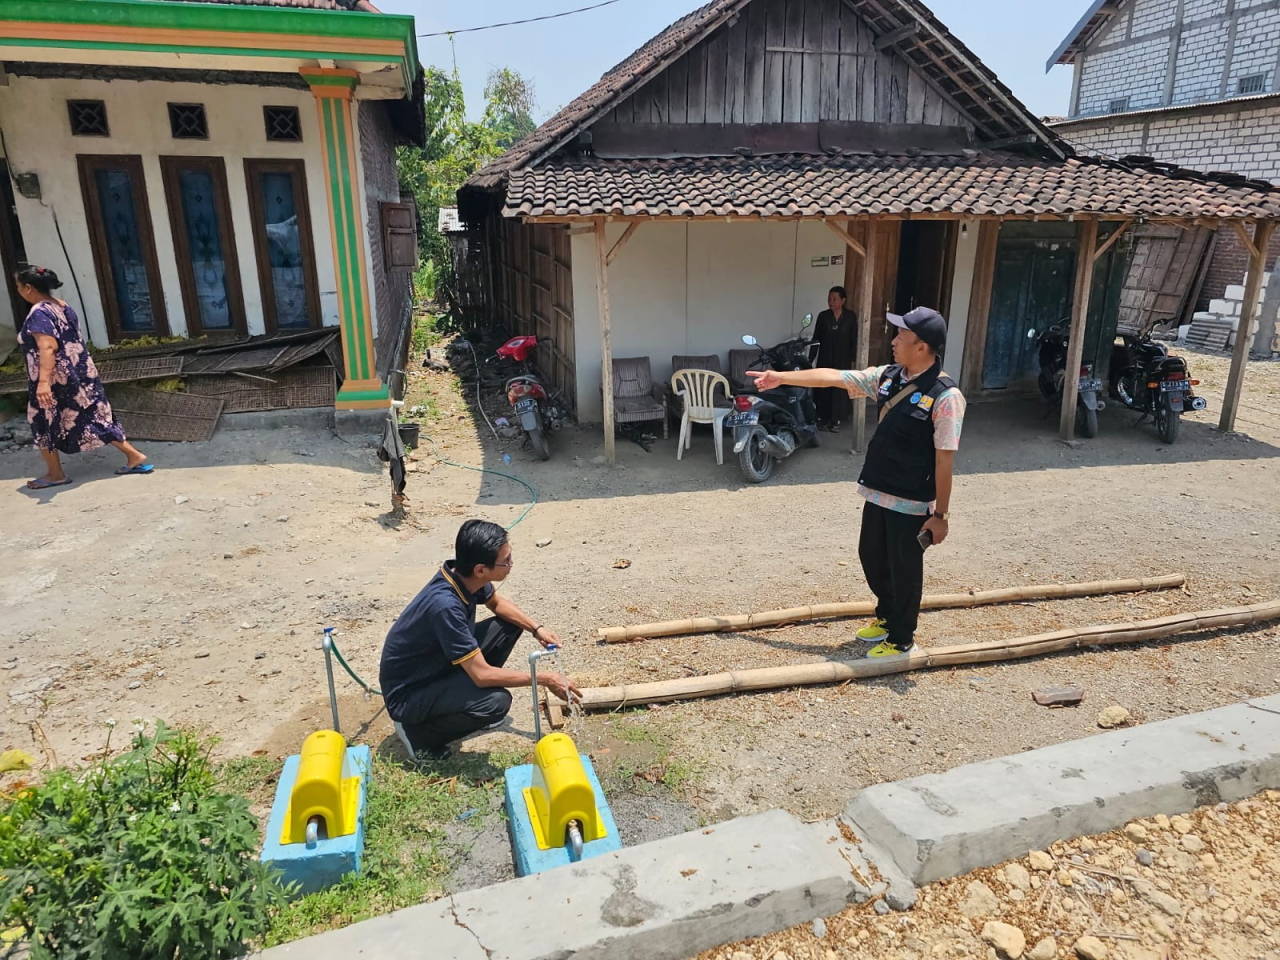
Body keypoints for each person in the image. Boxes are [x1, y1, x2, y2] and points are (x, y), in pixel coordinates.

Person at [746, 306, 964, 659]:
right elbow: (835, 376)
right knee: (872, 556)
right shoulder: (889, 377)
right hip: (879, 489)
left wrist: (941, 515)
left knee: (904, 567)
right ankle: (887, 616)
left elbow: (945, 460)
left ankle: (902, 638)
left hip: (910, 501)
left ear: (922, 346)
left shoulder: (945, 397)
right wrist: (782, 378)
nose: (893, 342)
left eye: (901, 337)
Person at [379, 519, 581, 761]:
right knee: (496, 702)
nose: (511, 563)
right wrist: (545, 678)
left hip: (435, 665)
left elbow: (496, 604)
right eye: (505, 561)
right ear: (481, 569)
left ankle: (462, 699)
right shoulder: (445, 606)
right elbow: (482, 675)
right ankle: (418, 735)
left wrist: (536, 628)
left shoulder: (462, 576)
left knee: (511, 624)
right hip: (409, 693)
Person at [14, 265, 152, 489]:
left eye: (19, 286)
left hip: (56, 380)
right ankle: (133, 455)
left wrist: (42, 383)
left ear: (28, 288)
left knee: (43, 419)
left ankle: (55, 473)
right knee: (93, 415)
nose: (18, 291)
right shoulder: (62, 306)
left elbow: (47, 347)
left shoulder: (39, 312)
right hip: (81, 373)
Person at [812, 286, 857, 432]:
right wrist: (810, 359)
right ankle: (823, 418)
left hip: (842, 358)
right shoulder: (823, 316)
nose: (831, 302)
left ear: (843, 300)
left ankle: (837, 418)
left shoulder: (850, 317)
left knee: (839, 387)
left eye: (834, 299)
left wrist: (854, 361)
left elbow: (854, 340)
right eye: (829, 299)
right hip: (825, 357)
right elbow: (815, 339)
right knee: (824, 386)